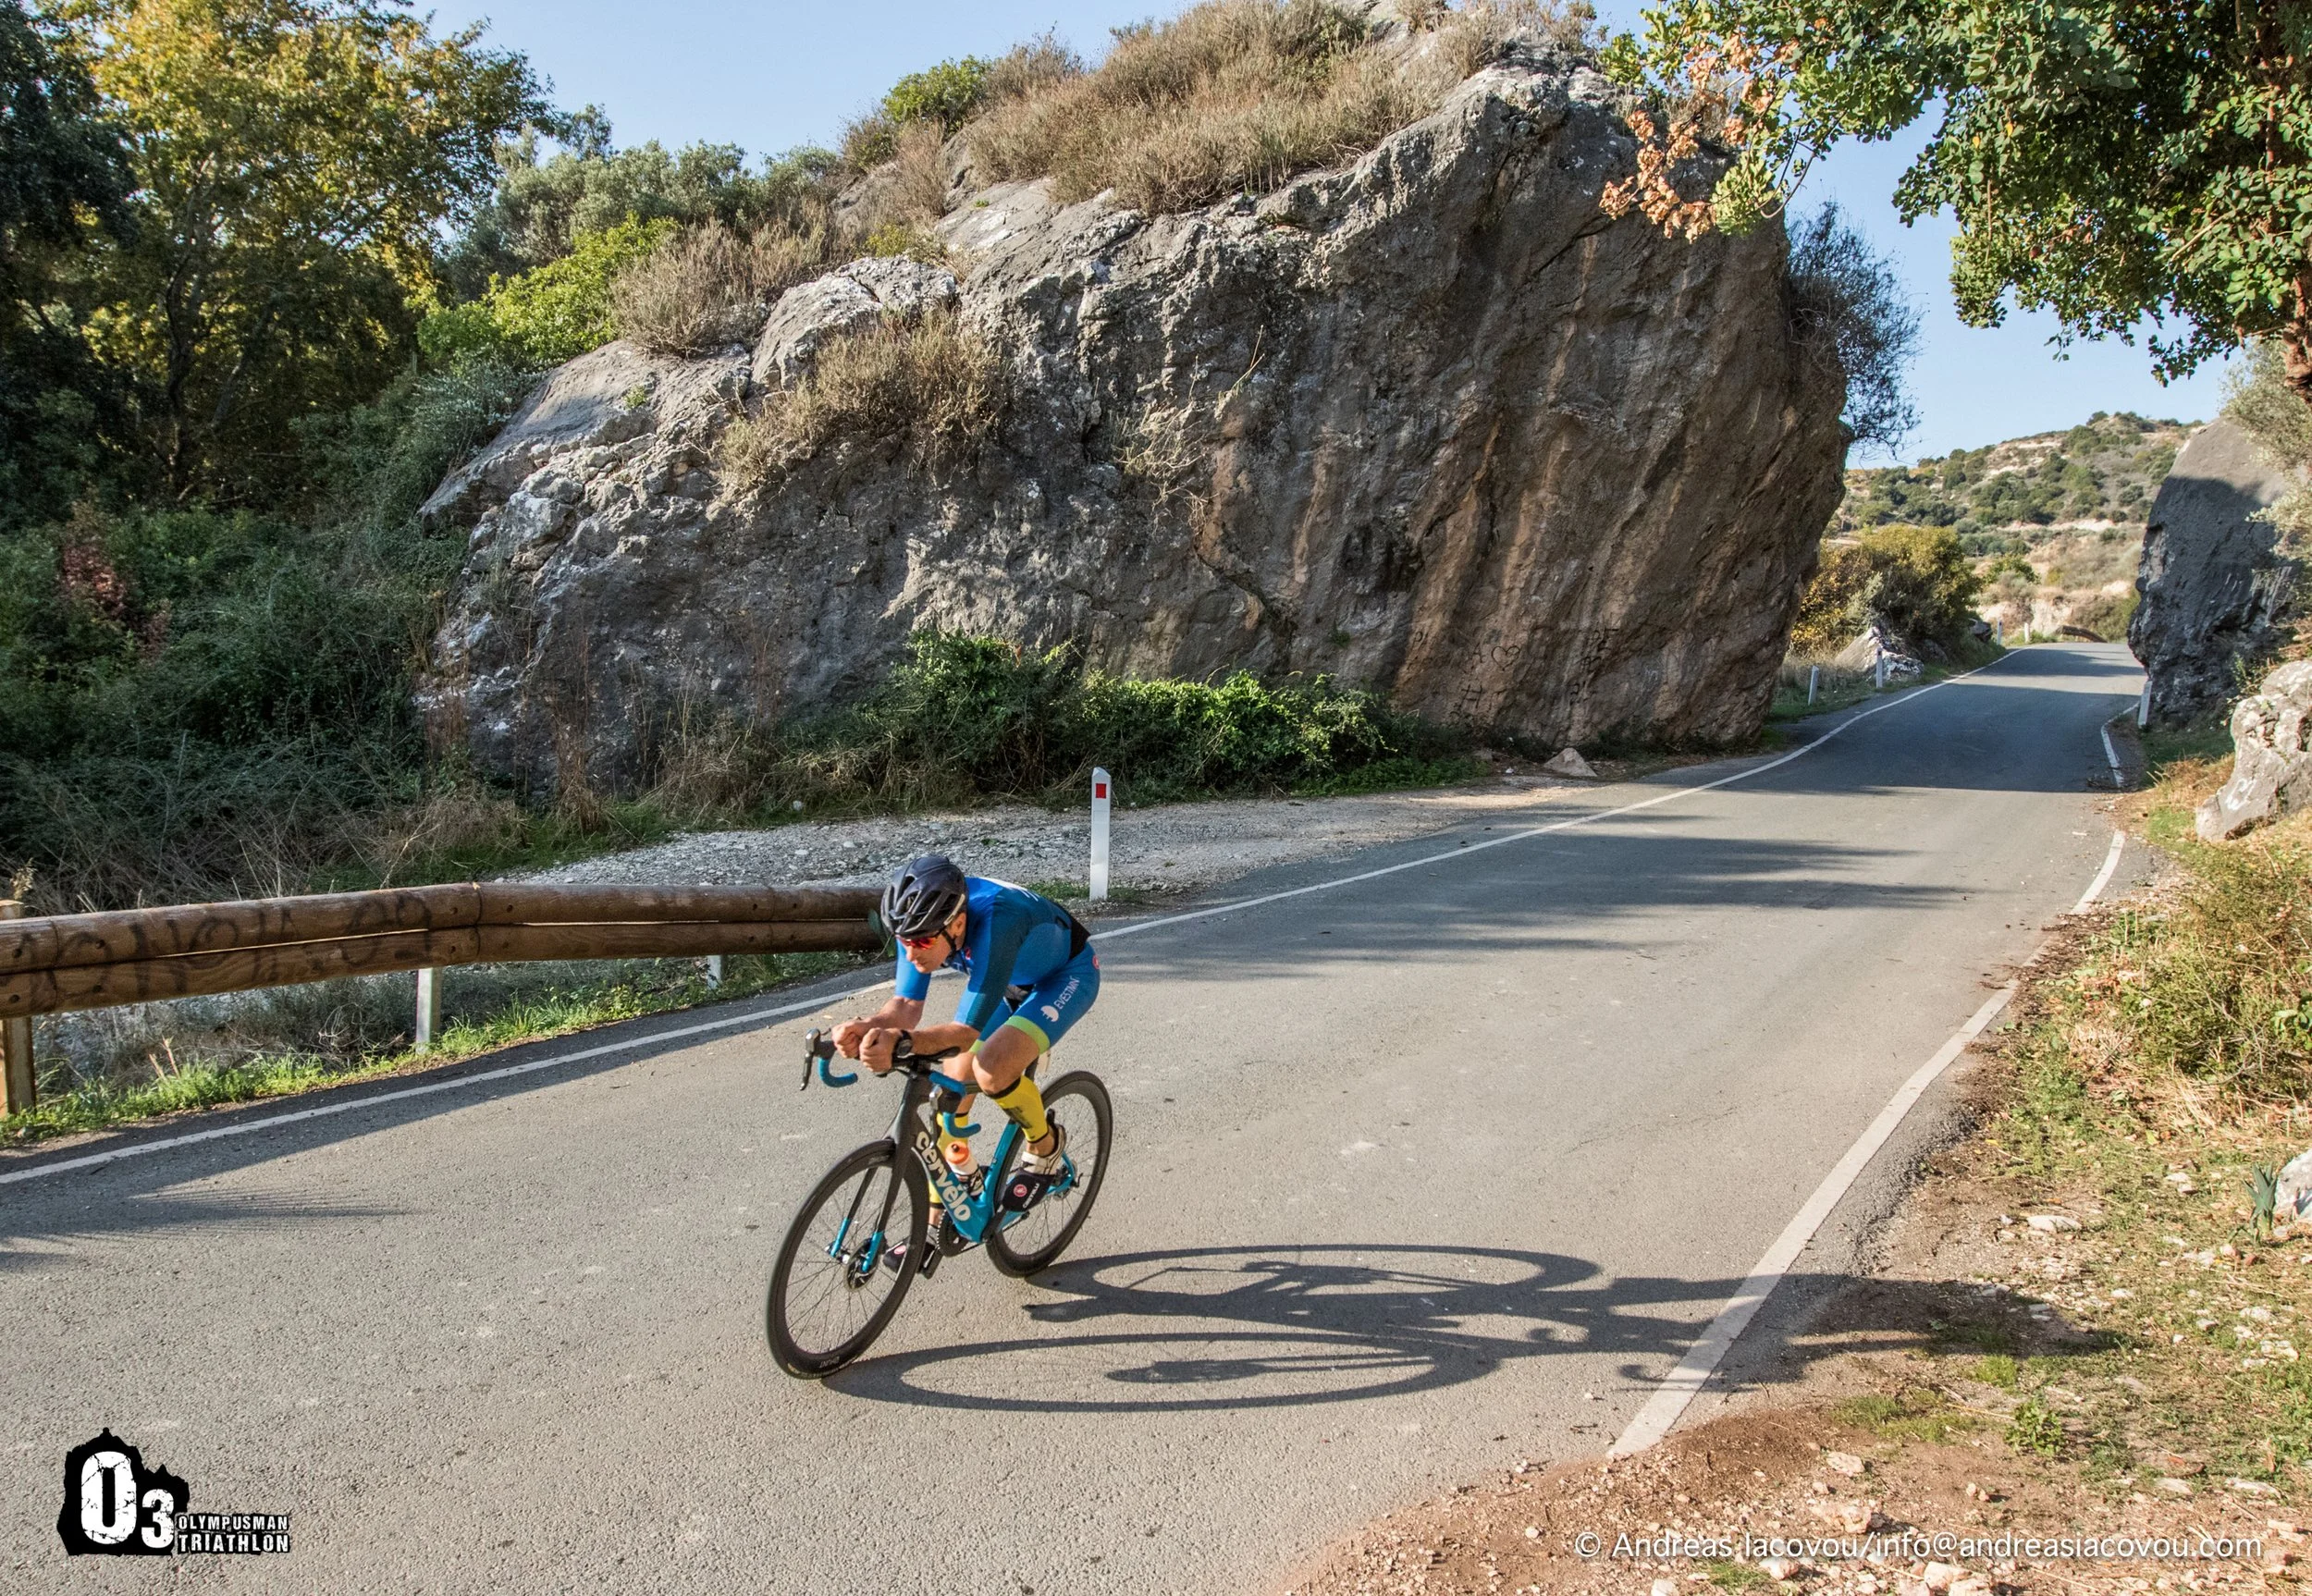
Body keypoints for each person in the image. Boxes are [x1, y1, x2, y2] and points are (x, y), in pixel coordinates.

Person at [831, 854, 1099, 1222]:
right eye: (903, 941)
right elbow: (906, 1004)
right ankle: (947, 1201)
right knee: (954, 1084)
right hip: (1007, 980)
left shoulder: (998, 921)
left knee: (992, 1069)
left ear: (957, 924)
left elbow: (964, 1033)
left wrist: (901, 1042)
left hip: (1065, 977)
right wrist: (868, 1025)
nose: (911, 953)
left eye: (921, 943)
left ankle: (1046, 1145)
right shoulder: (920, 921)